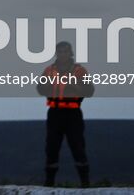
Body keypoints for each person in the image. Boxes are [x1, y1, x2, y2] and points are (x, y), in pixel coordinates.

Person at [38, 41, 93, 187]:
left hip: (72, 113)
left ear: (70, 53)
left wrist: (74, 85)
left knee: (77, 146)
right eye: (60, 51)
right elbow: (40, 88)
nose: (62, 54)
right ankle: (49, 183)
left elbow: (89, 91)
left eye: (65, 51)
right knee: (51, 147)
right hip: (55, 113)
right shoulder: (49, 70)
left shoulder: (79, 71)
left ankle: (85, 183)